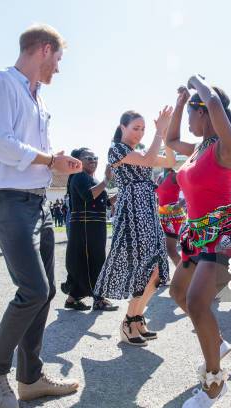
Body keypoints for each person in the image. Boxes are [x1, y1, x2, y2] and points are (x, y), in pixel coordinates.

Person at [0, 23, 82, 407]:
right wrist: (50, 159)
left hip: (36, 201)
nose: (58, 67)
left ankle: (31, 378)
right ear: (43, 49)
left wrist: (57, 163)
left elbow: (33, 155)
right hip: (8, 200)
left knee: (47, 291)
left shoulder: (38, 101)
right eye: (58, 59)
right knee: (33, 289)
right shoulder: (0, 83)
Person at [167, 76, 231, 407]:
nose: (189, 121)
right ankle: (216, 342)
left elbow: (216, 103)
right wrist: (178, 103)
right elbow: (171, 138)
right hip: (198, 234)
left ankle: (215, 384)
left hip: (227, 236)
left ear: (204, 113)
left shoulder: (226, 147)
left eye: (191, 113)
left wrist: (197, 81)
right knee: (178, 293)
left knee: (198, 302)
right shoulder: (198, 148)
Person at [94, 108, 174, 347]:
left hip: (148, 208)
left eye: (143, 129)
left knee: (157, 269)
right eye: (135, 128)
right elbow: (150, 160)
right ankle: (129, 322)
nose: (140, 133)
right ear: (123, 128)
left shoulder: (140, 151)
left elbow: (169, 161)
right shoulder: (116, 149)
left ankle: (137, 317)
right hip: (133, 210)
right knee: (144, 267)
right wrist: (159, 133)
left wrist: (166, 134)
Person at [63, 148, 118, 311]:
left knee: (84, 261)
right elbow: (88, 196)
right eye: (88, 158)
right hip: (86, 227)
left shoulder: (90, 178)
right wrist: (106, 180)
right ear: (77, 161)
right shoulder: (79, 176)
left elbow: (106, 202)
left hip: (94, 226)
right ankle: (99, 299)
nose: (93, 160)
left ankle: (72, 299)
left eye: (95, 157)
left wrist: (123, 192)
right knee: (94, 260)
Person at [156, 168, 185, 267]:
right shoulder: (160, 176)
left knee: (171, 250)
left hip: (173, 215)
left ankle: (186, 276)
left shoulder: (174, 175)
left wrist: (181, 204)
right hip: (162, 215)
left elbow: (189, 187)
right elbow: (159, 196)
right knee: (167, 249)